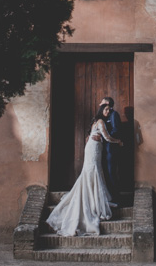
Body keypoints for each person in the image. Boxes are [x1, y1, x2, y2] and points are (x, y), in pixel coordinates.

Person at [46, 104, 123, 236]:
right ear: (101, 110)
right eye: (105, 109)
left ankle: (92, 194)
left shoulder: (94, 121)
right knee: (93, 171)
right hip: (94, 148)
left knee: (92, 171)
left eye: (109, 110)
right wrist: (118, 141)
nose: (108, 111)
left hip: (92, 147)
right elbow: (107, 137)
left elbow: (95, 135)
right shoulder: (100, 121)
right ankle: (93, 199)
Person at [98, 96, 122, 202]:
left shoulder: (114, 114)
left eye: (102, 102)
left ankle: (116, 198)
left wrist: (106, 136)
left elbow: (116, 129)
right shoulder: (104, 116)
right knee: (106, 173)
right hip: (105, 149)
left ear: (107, 103)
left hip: (111, 149)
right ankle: (109, 197)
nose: (100, 104)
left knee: (111, 172)